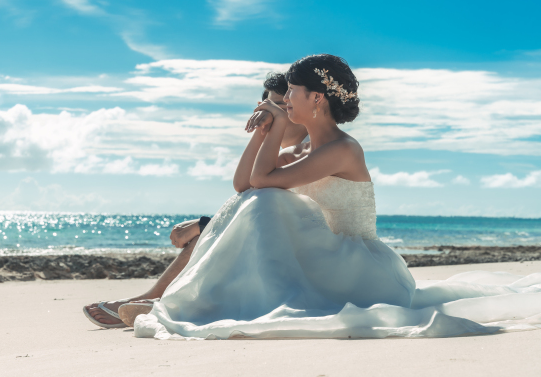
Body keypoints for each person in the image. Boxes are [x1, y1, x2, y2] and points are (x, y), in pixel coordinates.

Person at [127, 54, 541, 339]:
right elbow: (244, 184)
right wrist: (264, 130)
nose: (284, 101)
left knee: (267, 200)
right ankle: (187, 300)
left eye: (290, 93)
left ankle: (181, 300)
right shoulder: (298, 151)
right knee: (258, 200)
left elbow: (263, 182)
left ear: (317, 98)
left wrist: (272, 122)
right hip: (319, 257)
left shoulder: (343, 149)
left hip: (357, 264)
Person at [82, 72, 308, 328]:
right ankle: (152, 299)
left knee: (212, 236)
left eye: (279, 106)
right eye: (265, 106)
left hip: (304, 249)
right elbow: (245, 189)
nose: (267, 113)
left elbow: (258, 198)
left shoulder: (304, 150)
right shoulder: (282, 151)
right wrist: (262, 132)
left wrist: (204, 224)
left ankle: (155, 300)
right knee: (210, 237)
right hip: (283, 241)